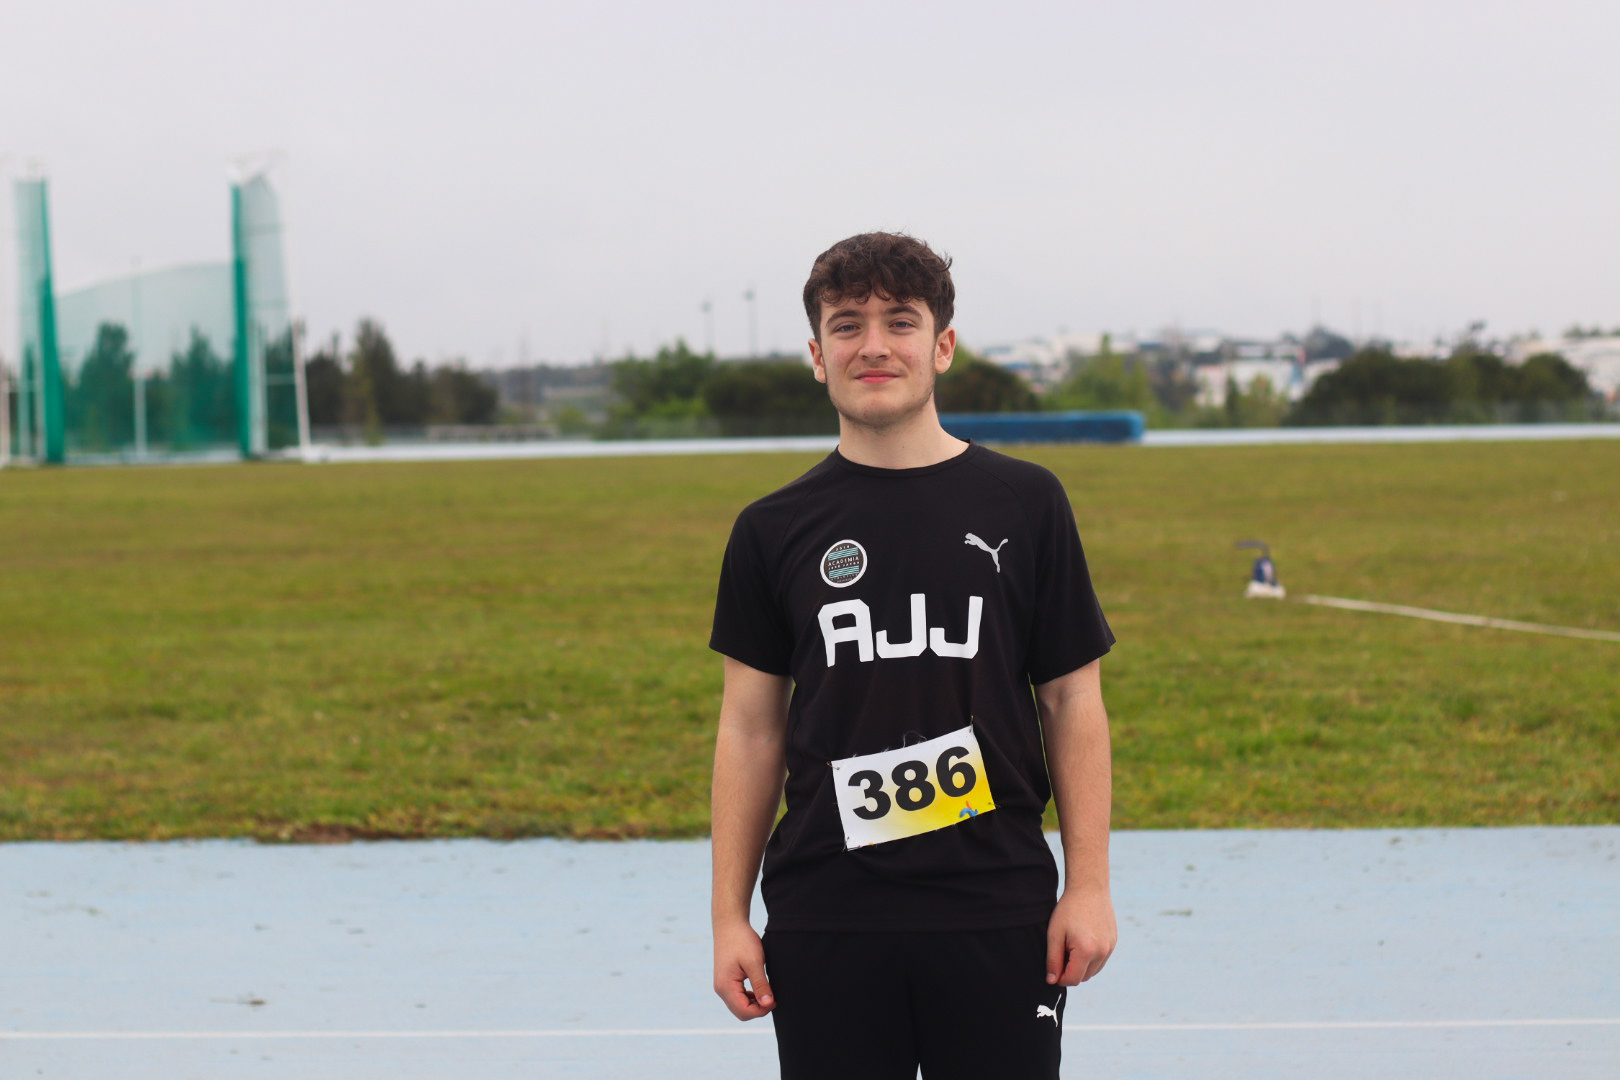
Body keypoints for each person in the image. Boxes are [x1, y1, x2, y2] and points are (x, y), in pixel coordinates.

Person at [709, 231, 1116, 1079]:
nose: (875, 345)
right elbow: (750, 729)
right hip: (828, 909)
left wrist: (1088, 886)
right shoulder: (771, 529)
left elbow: (1072, 702)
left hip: (994, 907)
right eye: (848, 324)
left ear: (943, 346)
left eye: (901, 321)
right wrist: (728, 917)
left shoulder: (1028, 503)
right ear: (818, 356)